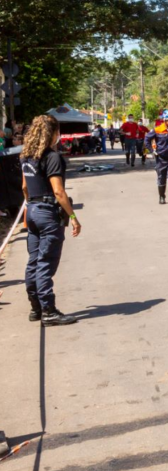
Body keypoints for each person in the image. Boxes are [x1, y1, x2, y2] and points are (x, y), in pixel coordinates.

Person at [20, 115, 81, 326]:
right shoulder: (52, 157)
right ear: (53, 133)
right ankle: (49, 311)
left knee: (34, 261)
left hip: (33, 210)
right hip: (47, 213)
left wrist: (31, 208)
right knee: (45, 263)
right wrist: (73, 216)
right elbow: (58, 191)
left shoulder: (26, 156)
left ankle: (35, 307)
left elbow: (25, 188)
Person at [147, 110, 168, 205]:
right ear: (164, 120)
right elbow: (147, 139)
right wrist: (152, 151)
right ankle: (162, 196)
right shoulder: (157, 130)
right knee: (161, 179)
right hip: (161, 159)